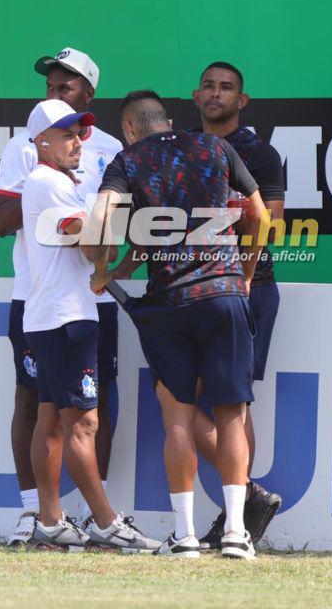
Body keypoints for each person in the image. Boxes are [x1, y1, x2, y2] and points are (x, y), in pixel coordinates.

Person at [89, 91, 268, 560]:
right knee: (232, 412)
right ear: (168, 121)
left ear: (130, 129)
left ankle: (185, 536)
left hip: (168, 304)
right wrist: (245, 275)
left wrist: (101, 268)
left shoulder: (127, 161)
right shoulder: (213, 147)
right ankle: (235, 533)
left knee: (178, 419)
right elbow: (260, 214)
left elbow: (101, 217)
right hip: (224, 294)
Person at [0, 48, 123, 545]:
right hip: (37, 292)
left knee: (97, 401)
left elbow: (117, 230)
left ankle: (91, 516)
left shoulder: (109, 147)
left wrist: (93, 217)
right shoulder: (28, 147)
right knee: (34, 400)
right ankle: (35, 514)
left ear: (89, 93)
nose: (54, 92)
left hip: (95, 295)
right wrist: (46, 193)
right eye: (50, 84)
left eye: (66, 86)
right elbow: (1, 222)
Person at [20, 99, 158, 553]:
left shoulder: (57, 182)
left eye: (80, 133)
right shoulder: (48, 181)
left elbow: (88, 244)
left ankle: (50, 520)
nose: (77, 141)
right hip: (66, 317)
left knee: (51, 419)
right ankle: (105, 523)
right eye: (66, 134)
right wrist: (111, 206)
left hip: (52, 315)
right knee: (83, 425)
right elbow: (90, 243)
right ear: (42, 141)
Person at [190, 61, 286, 550]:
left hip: (248, 288)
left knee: (233, 398)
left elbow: (270, 224)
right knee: (181, 401)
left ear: (241, 101)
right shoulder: (185, 148)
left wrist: (244, 276)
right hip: (193, 289)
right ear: (194, 95)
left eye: (226, 88)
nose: (216, 93)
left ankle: (238, 516)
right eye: (208, 85)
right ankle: (245, 499)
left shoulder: (259, 154)